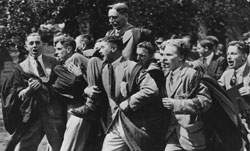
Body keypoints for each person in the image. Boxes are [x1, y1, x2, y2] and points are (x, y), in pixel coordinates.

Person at [85, 36, 168, 151]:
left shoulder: (132, 67)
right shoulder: (104, 69)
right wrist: (87, 90)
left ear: (113, 48)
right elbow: (101, 92)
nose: (99, 50)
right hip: (114, 123)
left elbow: (151, 89)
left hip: (135, 125)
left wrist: (129, 103)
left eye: (103, 47)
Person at [1, 32, 65, 151]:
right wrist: (29, 89)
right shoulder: (20, 69)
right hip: (33, 115)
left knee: (59, 147)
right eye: (31, 43)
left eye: (37, 42)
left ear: (42, 45)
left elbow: (62, 85)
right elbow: (17, 94)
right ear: (26, 46)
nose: (34, 45)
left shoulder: (53, 62)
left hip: (53, 113)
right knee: (26, 148)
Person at [161, 39, 212, 151]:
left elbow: (205, 101)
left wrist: (177, 104)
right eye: (163, 54)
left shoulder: (191, 74)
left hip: (191, 136)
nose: (163, 58)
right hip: (172, 133)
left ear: (180, 57)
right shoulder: (168, 75)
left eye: (168, 55)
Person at [218, 41, 250, 141]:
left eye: (233, 54)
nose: (229, 57)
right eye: (228, 54)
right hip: (236, 122)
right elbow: (216, 89)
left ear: (244, 56)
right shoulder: (227, 74)